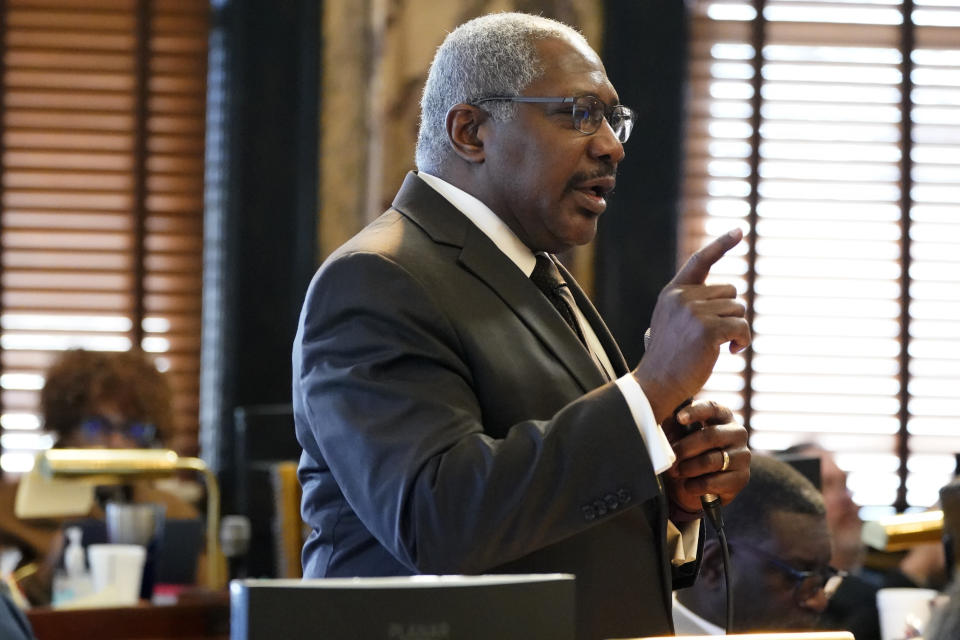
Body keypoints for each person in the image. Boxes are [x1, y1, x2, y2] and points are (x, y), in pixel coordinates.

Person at [293, 12, 752, 640]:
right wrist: (651, 391)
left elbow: (553, 519)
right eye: (579, 113)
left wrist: (667, 487)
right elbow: (436, 521)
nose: (612, 146)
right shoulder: (377, 279)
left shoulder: (541, 274)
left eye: (615, 120)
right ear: (471, 131)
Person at [0, 348, 198, 605]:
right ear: (66, 428)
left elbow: (205, 599)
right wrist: (44, 577)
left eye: (132, 429)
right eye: (98, 426)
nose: (116, 442)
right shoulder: (9, 512)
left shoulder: (176, 513)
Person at [673, 454, 839, 634]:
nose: (820, 602)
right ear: (715, 567)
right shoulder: (643, 633)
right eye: (799, 576)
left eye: (822, 578)